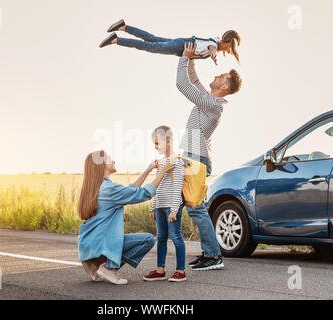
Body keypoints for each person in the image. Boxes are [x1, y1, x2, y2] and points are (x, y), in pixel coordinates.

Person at [176, 42, 242, 271]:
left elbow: (183, 84)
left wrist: (183, 57)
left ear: (225, 85)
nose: (217, 74)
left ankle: (214, 257)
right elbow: (193, 80)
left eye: (221, 75)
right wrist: (193, 57)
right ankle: (207, 254)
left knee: (196, 208)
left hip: (196, 159)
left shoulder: (214, 104)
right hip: (191, 157)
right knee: (180, 206)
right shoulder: (208, 97)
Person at [77, 150, 175, 284]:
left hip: (89, 247)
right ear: (101, 165)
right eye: (109, 159)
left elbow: (131, 190)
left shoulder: (99, 187)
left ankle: (98, 266)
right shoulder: (110, 190)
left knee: (129, 240)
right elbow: (144, 193)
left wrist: (148, 170)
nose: (113, 161)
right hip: (100, 246)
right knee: (147, 240)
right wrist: (163, 170)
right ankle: (109, 268)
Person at [143, 126, 187, 282]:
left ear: (168, 141)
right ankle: (160, 270)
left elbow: (178, 186)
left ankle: (180, 271)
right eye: (154, 144)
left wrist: (174, 209)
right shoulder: (162, 162)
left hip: (171, 206)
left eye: (157, 143)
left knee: (176, 237)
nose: (156, 147)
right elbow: (157, 185)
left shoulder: (176, 161)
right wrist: (153, 206)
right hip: (161, 206)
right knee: (161, 238)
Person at [99, 19, 241, 65]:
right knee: (149, 46)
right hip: (179, 46)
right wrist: (213, 55)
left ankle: (123, 26)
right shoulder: (214, 45)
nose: (229, 51)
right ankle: (115, 40)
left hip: (180, 44)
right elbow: (211, 48)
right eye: (231, 48)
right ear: (229, 43)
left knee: (151, 39)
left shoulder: (214, 40)